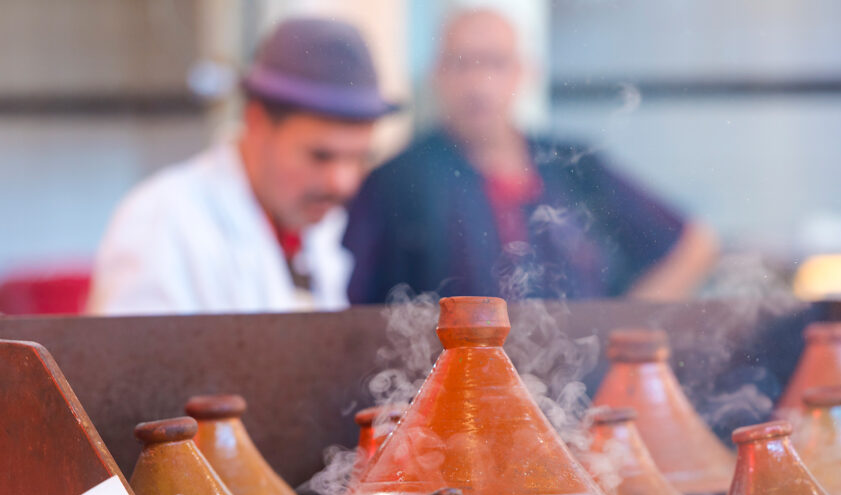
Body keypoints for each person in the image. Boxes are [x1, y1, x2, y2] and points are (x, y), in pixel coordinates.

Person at [343, 9, 718, 304]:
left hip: (581, 390)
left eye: (495, 63)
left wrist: (620, 333)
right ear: (437, 74)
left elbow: (693, 245)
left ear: (524, 73)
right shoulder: (398, 183)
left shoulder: (574, 167)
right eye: (462, 64)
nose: (478, 84)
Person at [87, 18, 397, 315]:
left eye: (359, 157)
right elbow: (130, 368)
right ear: (257, 122)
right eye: (320, 156)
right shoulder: (161, 222)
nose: (342, 183)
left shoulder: (314, 225)